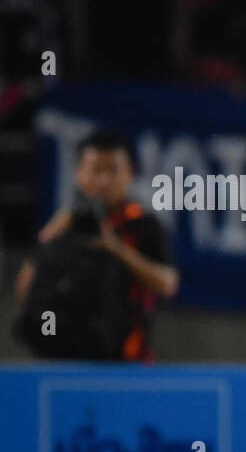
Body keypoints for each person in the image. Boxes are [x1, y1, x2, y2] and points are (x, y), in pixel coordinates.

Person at [13, 129, 178, 361]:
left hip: (124, 362)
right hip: (62, 360)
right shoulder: (62, 228)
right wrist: (46, 242)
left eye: (113, 170)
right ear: (79, 173)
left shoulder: (143, 225)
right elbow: (26, 294)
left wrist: (114, 247)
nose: (103, 180)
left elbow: (168, 283)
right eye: (95, 170)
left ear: (129, 174)